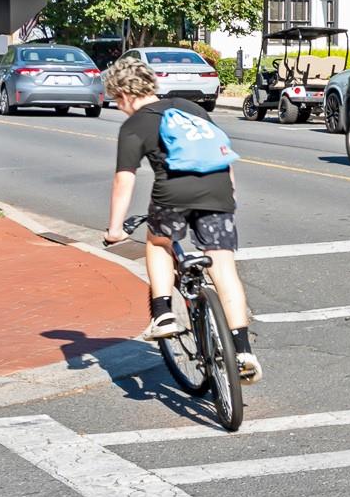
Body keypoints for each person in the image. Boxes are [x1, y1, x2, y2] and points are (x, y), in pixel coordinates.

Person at [102, 56, 261, 383]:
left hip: (173, 195)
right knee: (224, 269)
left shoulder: (134, 125)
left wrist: (115, 228)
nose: (119, 107)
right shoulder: (193, 109)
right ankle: (243, 351)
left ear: (125, 94)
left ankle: (163, 314)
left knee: (158, 242)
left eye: (117, 100)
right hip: (218, 192)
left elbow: (124, 179)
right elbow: (221, 154)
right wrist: (228, 193)